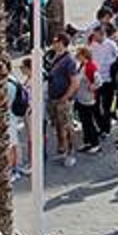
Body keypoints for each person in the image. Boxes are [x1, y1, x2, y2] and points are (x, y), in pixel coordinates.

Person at [47, 33, 80, 167]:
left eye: (55, 41)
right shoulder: (54, 57)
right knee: (58, 126)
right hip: (54, 98)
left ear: (62, 42)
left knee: (66, 126)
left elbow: (75, 82)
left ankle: (70, 153)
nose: (53, 44)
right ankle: (62, 148)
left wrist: (65, 97)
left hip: (63, 100)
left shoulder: (69, 61)